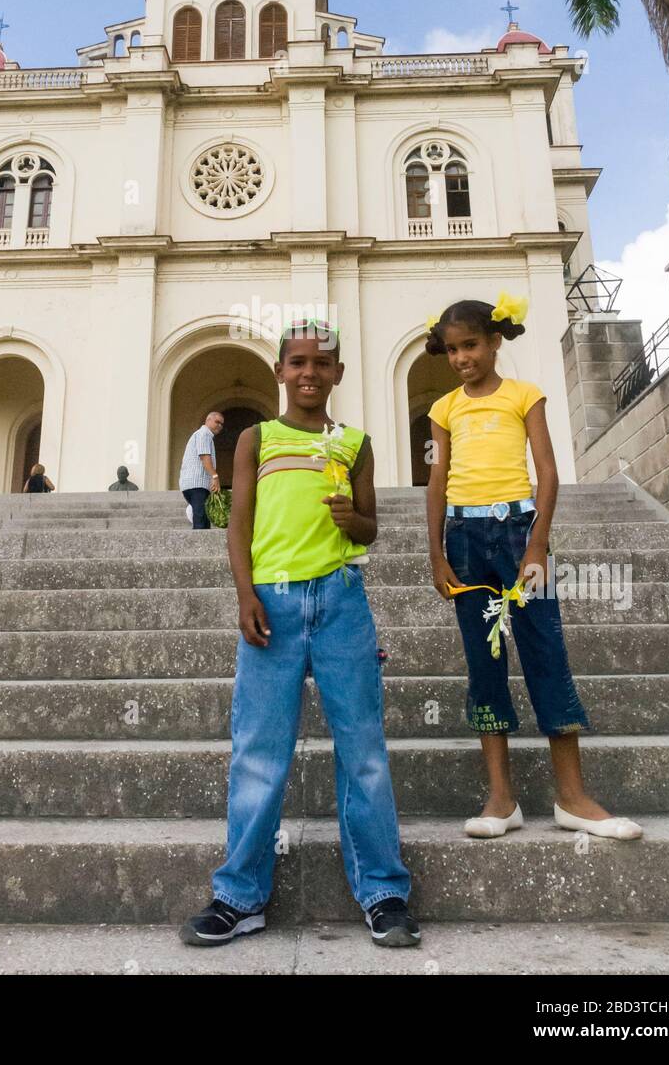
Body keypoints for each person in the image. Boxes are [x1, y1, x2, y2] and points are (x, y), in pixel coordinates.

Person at [180, 319, 418, 949]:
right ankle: (239, 896)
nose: (309, 372)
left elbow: (369, 531)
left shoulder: (356, 443)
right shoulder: (256, 438)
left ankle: (384, 892)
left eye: (322, 362)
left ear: (338, 373)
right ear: (280, 372)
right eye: (297, 362)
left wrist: (354, 517)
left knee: (362, 750)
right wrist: (244, 595)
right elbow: (237, 526)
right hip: (273, 607)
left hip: (342, 601)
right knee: (258, 753)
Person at [426, 294, 643, 841]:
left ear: (494, 341)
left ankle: (572, 797)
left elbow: (546, 470)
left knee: (546, 650)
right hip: (465, 540)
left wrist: (537, 543)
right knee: (484, 662)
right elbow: (437, 479)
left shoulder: (525, 396)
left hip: (520, 532)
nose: (461, 358)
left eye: (470, 345)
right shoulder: (444, 408)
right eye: (452, 349)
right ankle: (502, 799)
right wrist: (436, 553)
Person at [178, 411, 224, 530]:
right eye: (217, 422)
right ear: (208, 420)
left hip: (194, 484)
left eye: (221, 424)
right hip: (196, 484)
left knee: (203, 518)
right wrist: (215, 476)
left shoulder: (202, 435)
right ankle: (198, 546)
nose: (219, 425)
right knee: (200, 520)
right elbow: (204, 456)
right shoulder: (204, 434)